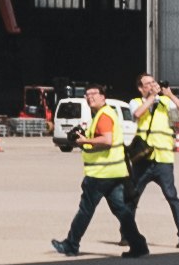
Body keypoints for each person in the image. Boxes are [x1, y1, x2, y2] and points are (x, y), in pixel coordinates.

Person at [53, 87, 145, 256]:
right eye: (87, 95)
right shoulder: (103, 114)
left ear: (103, 97)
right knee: (121, 210)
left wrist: (84, 140)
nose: (89, 98)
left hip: (101, 174)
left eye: (93, 94)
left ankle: (71, 245)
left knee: (85, 210)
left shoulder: (103, 115)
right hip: (114, 172)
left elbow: (107, 140)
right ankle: (138, 245)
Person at [127, 72, 179, 248]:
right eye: (147, 84)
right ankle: (127, 233)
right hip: (143, 158)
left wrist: (169, 95)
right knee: (132, 197)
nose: (151, 85)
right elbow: (138, 114)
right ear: (140, 88)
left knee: (172, 197)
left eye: (153, 82)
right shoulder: (137, 101)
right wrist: (151, 97)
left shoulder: (166, 102)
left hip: (163, 159)